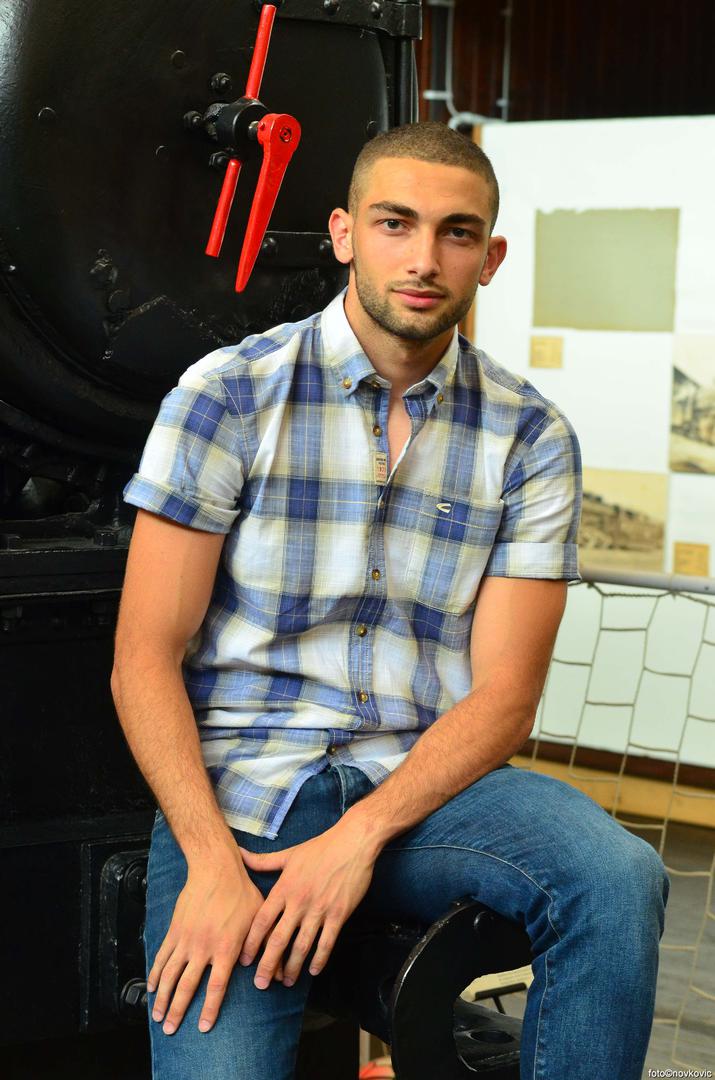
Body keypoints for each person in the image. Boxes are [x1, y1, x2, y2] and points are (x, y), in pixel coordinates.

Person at [112, 121, 669, 1080]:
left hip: (423, 795)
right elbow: (143, 659)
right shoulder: (228, 396)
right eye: (394, 223)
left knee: (617, 876)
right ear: (343, 234)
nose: (423, 259)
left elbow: (506, 696)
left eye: (457, 233)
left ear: (490, 257)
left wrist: (360, 835)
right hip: (245, 800)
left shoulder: (529, 435)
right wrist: (207, 861)